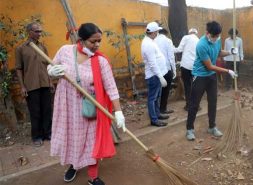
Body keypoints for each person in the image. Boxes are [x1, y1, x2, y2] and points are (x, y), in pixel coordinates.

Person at [49, 23, 126, 185]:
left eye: (99, 41)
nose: (97, 45)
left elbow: (111, 87)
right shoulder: (65, 51)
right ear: (81, 40)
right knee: (72, 137)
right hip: (67, 106)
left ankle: (93, 177)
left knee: (91, 141)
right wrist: (51, 71)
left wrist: (118, 112)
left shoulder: (100, 62)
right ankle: (73, 165)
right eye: (93, 41)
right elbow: (52, 64)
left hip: (89, 107)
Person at [186, 21, 238, 141]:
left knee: (213, 102)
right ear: (207, 33)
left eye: (217, 36)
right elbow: (209, 66)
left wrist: (230, 52)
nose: (216, 38)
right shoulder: (201, 45)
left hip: (211, 76)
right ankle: (189, 129)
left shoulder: (218, 39)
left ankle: (212, 127)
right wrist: (227, 71)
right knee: (194, 104)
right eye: (214, 36)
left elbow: (219, 53)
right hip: (199, 76)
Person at [15, 22, 53, 147]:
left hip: (45, 84)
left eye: (40, 31)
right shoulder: (21, 49)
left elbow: (48, 65)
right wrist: (22, 86)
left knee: (47, 110)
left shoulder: (43, 47)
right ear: (29, 32)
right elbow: (19, 68)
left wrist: (51, 81)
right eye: (37, 31)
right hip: (31, 85)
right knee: (35, 112)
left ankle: (48, 133)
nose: (39, 34)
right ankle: (36, 137)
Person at [141, 22, 169, 127]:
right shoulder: (148, 44)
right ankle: (154, 119)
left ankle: (157, 114)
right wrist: (160, 76)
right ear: (152, 32)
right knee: (152, 98)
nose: (157, 33)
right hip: (154, 75)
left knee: (157, 96)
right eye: (157, 31)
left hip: (156, 74)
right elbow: (152, 63)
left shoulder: (150, 41)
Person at [174, 28, 199, 111]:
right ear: (196, 33)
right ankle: (196, 106)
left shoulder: (186, 37)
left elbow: (179, 50)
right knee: (195, 86)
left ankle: (188, 106)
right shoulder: (199, 40)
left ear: (189, 32)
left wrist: (172, 48)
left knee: (187, 86)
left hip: (185, 66)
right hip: (195, 67)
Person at [155, 28, 176, 114]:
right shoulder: (168, 41)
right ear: (166, 34)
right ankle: (163, 109)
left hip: (156, 69)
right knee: (165, 90)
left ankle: (155, 110)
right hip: (166, 69)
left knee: (156, 91)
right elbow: (171, 57)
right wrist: (174, 70)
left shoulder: (153, 40)